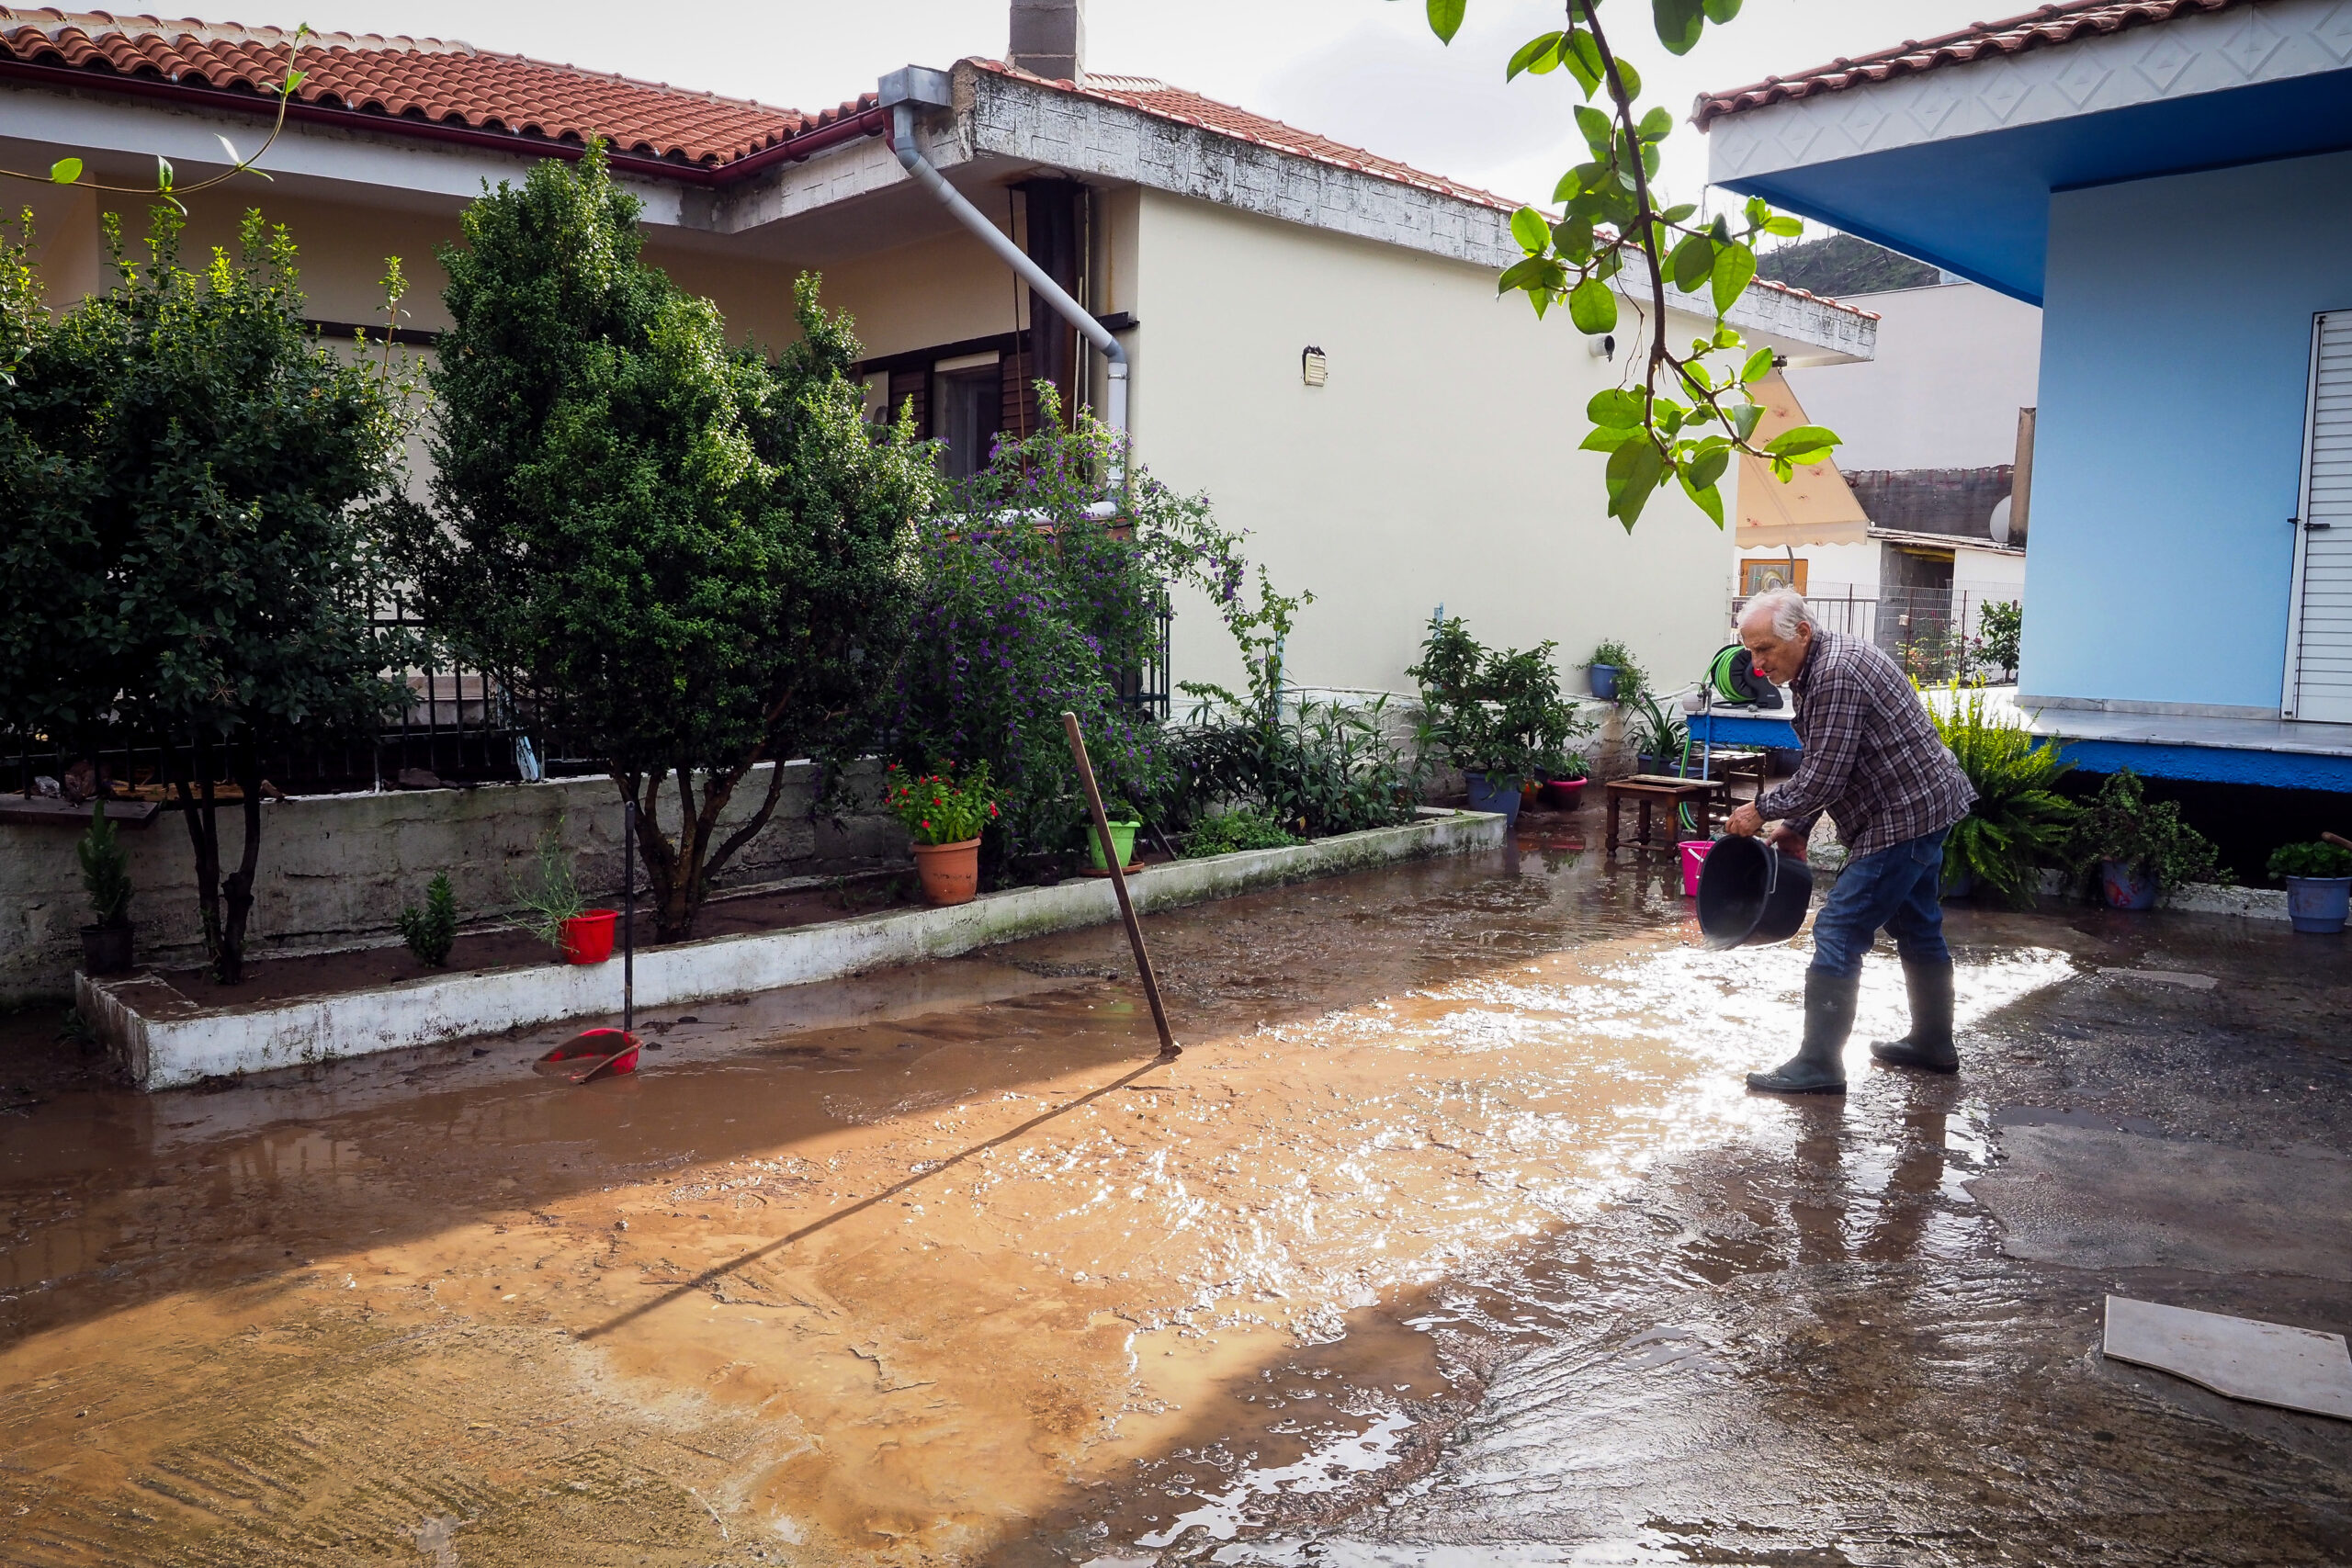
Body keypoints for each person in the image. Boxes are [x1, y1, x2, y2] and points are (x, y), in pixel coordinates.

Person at [1721, 588, 1976, 1094]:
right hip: (1922, 805)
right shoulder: (1813, 668)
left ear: (1802, 633)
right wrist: (1798, 823)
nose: (1756, 663)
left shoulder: (1836, 672)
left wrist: (1762, 810)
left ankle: (1820, 1064)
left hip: (1903, 815)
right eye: (1750, 650)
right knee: (1918, 924)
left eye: (1765, 648)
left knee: (1838, 930)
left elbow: (1823, 775)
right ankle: (1933, 1044)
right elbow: (1830, 760)